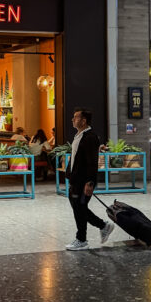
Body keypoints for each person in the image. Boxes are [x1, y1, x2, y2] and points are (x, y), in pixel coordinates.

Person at [65, 108, 114, 251]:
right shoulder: (79, 135)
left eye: (75, 117)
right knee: (78, 208)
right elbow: (75, 158)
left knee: (79, 208)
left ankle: (82, 239)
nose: (72, 120)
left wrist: (90, 182)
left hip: (83, 181)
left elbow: (92, 162)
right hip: (75, 180)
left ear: (83, 120)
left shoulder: (90, 137)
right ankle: (103, 226)